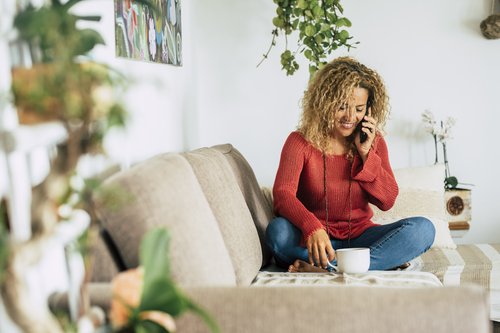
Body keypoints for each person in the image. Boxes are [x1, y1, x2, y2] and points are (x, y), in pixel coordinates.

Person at [266, 56, 435, 273]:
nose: (350, 116)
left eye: (359, 108)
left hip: (362, 239)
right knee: (277, 232)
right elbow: (282, 194)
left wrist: (365, 154)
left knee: (423, 230)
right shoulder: (300, 141)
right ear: (325, 103)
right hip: (317, 241)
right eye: (342, 106)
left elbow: (387, 200)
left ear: (369, 110)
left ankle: (329, 269)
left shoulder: (374, 142)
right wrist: (312, 227)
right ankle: (371, 264)